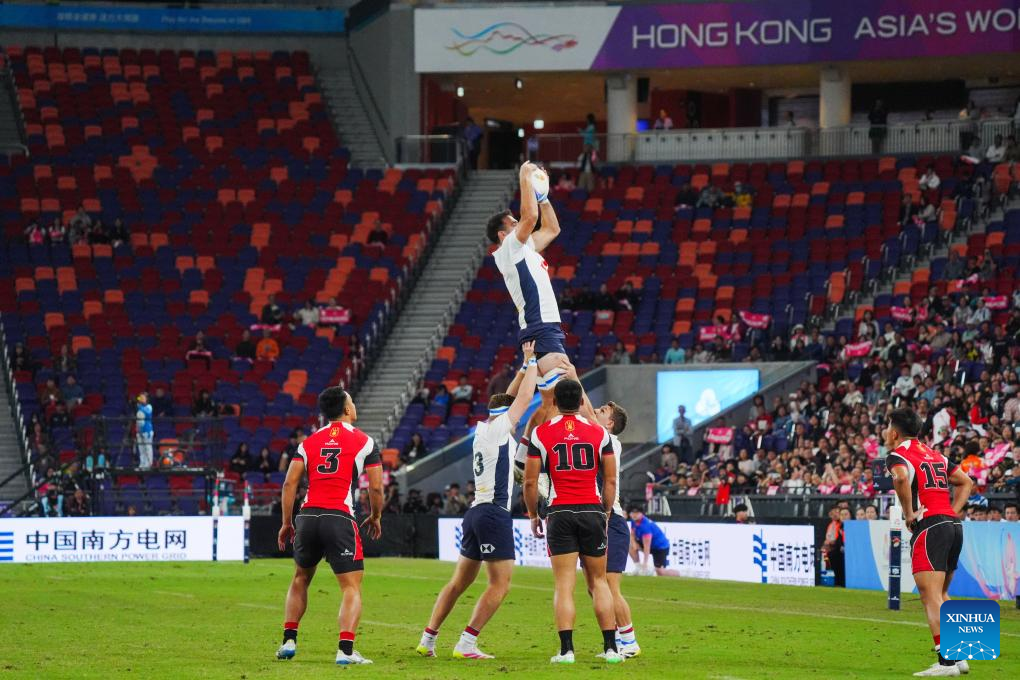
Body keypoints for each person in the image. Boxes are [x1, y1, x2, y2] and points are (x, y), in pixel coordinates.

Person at [417, 342, 539, 660]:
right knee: (500, 584)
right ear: (506, 415)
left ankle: (427, 639)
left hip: (474, 513)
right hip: (493, 514)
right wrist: (536, 363)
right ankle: (467, 643)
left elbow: (509, 399)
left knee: (459, 583)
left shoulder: (484, 429)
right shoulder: (500, 430)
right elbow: (524, 398)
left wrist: (524, 364)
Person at [276, 387, 383, 665]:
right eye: (352, 401)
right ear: (347, 409)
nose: (354, 405)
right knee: (351, 587)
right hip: (339, 517)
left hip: (308, 516)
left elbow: (289, 484)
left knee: (300, 578)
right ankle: (345, 651)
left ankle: (288, 641)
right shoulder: (365, 441)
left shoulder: (308, 442)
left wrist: (287, 522)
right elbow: (375, 487)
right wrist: (376, 516)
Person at [524, 378, 623, 664]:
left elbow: (530, 482)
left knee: (564, 585)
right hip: (592, 510)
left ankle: (567, 651)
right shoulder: (599, 433)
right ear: (581, 402)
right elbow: (611, 479)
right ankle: (611, 649)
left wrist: (533, 515)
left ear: (554, 402)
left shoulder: (541, 433)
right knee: (599, 581)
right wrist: (605, 512)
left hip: (559, 512)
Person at [885, 408, 973, 677]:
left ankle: (947, 663)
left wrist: (909, 513)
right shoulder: (935, 455)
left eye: (887, 427)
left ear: (894, 432)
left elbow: (901, 477)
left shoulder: (898, 455)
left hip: (930, 526)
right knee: (942, 593)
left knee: (929, 595)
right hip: (953, 525)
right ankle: (961, 656)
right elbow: (966, 482)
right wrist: (952, 512)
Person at [487, 161, 568, 379]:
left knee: (555, 395)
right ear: (503, 235)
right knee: (570, 389)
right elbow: (530, 217)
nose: (519, 225)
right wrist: (525, 176)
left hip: (543, 325)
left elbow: (552, 229)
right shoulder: (509, 247)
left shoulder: (523, 247)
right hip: (540, 325)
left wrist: (543, 198)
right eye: (514, 224)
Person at [592, 400, 641, 658]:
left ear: (609, 424)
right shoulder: (596, 438)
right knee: (595, 587)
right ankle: (617, 642)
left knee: (610, 586)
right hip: (599, 520)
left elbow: (584, 410)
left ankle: (630, 642)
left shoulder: (611, 441)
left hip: (613, 521)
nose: (595, 411)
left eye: (602, 412)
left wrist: (571, 379)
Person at [628, 507, 680, 577]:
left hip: (660, 547)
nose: (634, 515)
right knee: (630, 545)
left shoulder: (645, 526)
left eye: (637, 513)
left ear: (642, 514)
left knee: (661, 573)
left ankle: (681, 573)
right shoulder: (633, 521)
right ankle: (638, 568)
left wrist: (645, 564)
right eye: (632, 512)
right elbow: (632, 534)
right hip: (649, 545)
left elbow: (647, 547)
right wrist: (634, 543)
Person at [135, 393, 153, 469]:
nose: (141, 399)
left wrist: (140, 406)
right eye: (140, 397)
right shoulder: (138, 408)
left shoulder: (149, 407)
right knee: (141, 449)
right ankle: (142, 464)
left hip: (147, 430)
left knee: (147, 447)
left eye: (143, 397)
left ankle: (148, 464)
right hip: (139, 431)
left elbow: (148, 413)